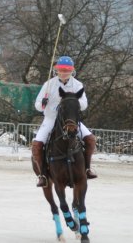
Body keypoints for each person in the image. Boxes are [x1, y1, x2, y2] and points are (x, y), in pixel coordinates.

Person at [32, 56, 97, 188]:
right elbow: (37, 105)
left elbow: (84, 104)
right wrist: (42, 104)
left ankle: (87, 169)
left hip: (70, 120)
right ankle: (42, 175)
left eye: (67, 70)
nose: (64, 72)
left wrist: (72, 102)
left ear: (72, 71)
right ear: (57, 70)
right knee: (37, 145)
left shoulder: (78, 85)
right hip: (51, 118)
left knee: (90, 139)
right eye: (61, 70)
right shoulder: (48, 84)